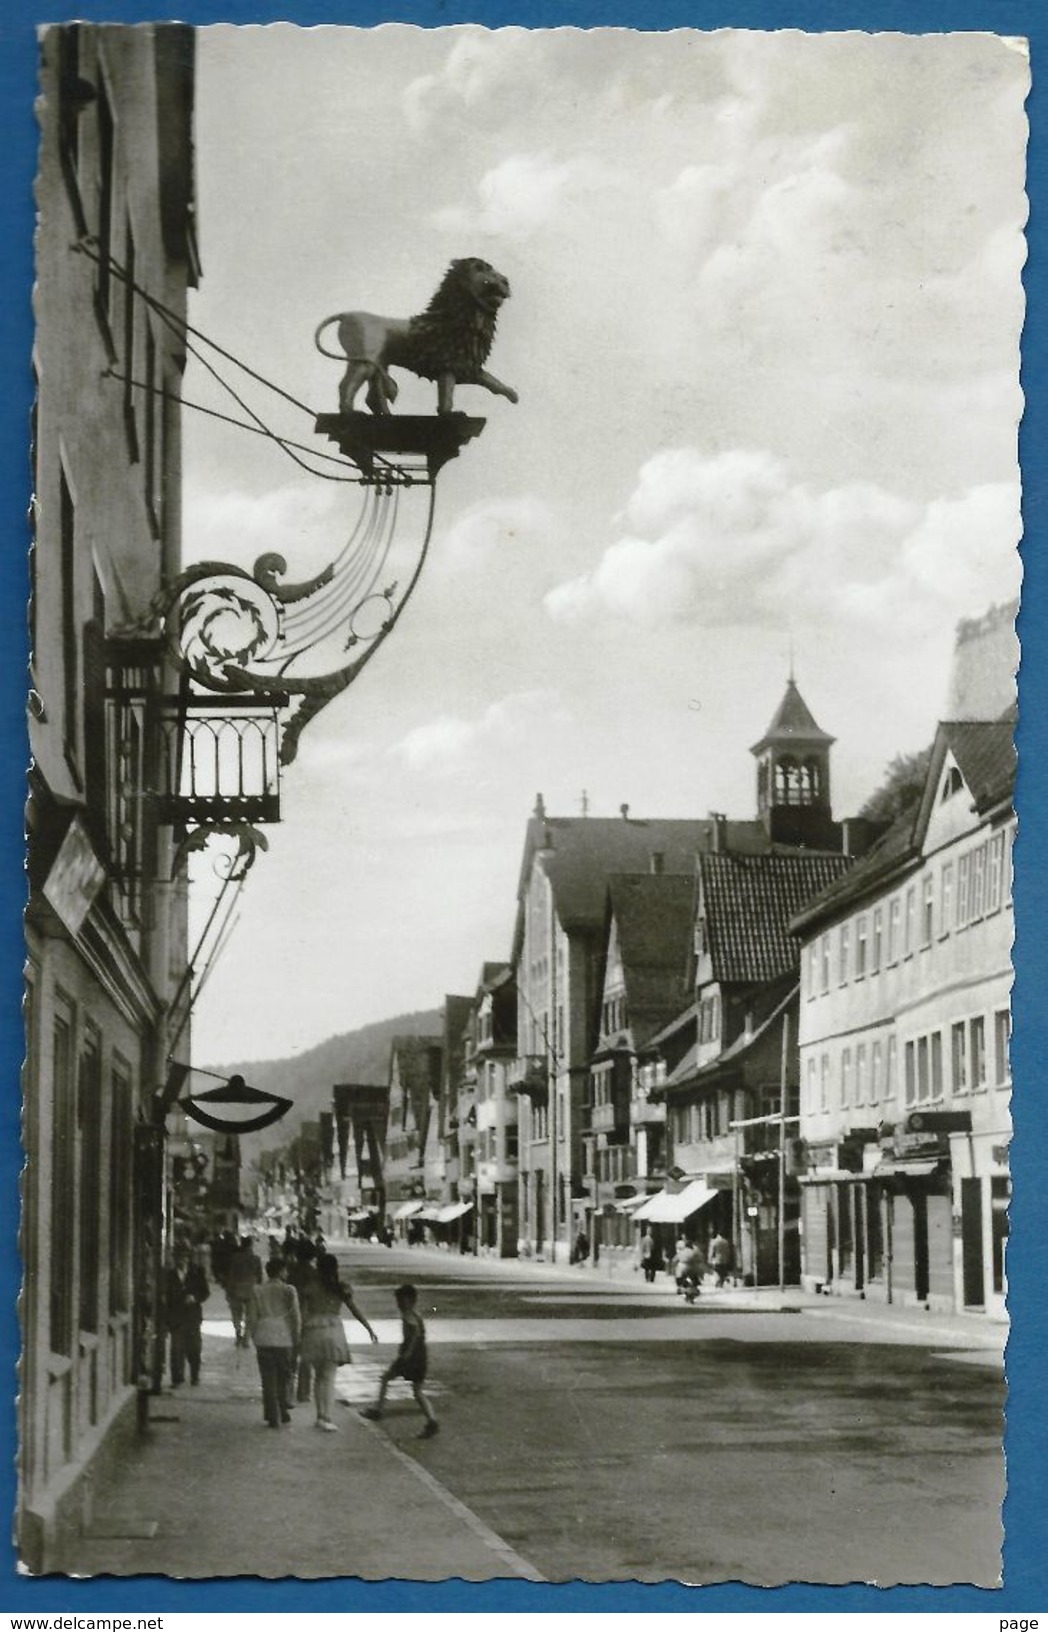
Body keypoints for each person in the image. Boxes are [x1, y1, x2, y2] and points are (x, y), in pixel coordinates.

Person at [300, 1252, 378, 1431]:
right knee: (329, 1377)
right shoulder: (341, 1288)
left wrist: (299, 1334)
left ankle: (320, 1415)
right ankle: (326, 1416)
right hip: (333, 1330)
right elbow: (355, 1310)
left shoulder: (310, 1287)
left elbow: (303, 1314)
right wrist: (369, 1329)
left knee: (318, 1377)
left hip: (313, 1330)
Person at [362, 1283, 439, 1439]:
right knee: (417, 1392)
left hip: (409, 1358)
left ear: (409, 1300)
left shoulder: (408, 1316)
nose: (398, 1304)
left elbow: (414, 1335)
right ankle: (432, 1421)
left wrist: (406, 1354)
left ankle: (378, 1411)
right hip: (421, 1357)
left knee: (386, 1379)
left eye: (400, 1300)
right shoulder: (416, 1314)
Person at [248, 1256, 301, 1428]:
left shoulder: (257, 1290)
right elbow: (295, 1317)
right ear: (280, 1271)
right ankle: (283, 1408)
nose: (287, 1272)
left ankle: (272, 1415)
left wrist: (253, 1336)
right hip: (283, 1337)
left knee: (268, 1377)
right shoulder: (289, 1290)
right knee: (284, 1376)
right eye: (285, 1270)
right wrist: (296, 1336)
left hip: (263, 1335)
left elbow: (252, 1317)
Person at [164, 1245, 210, 1387]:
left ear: (188, 1259)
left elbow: (205, 1292)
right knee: (176, 1348)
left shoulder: (197, 1272)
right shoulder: (169, 1274)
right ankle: (177, 1378)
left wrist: (195, 1298)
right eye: (178, 1258)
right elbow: (166, 1294)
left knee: (194, 1348)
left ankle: (195, 1376)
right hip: (176, 1316)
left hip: (192, 1316)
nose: (181, 1261)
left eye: (184, 1258)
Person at [284, 1237, 319, 1405]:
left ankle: (288, 1391)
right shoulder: (315, 1273)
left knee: (290, 1356)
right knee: (306, 1357)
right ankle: (304, 1393)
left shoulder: (290, 1271)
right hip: (309, 1316)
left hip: (290, 1316)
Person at [225, 1236, 263, 1346]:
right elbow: (259, 1277)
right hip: (251, 1289)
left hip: (236, 1288)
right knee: (250, 1315)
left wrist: (229, 1290)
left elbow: (231, 1275)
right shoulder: (256, 1259)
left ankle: (238, 1334)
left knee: (236, 1313)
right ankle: (246, 1337)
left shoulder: (235, 1258)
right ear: (251, 1245)